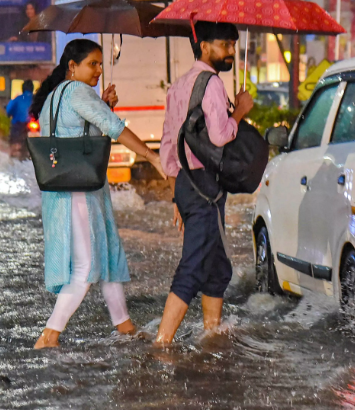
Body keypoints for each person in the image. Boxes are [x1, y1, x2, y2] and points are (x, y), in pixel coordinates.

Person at [29, 39, 166, 349]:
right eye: (93, 63)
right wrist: (151, 156)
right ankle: (49, 336)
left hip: (70, 189)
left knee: (108, 259)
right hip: (79, 192)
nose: (99, 70)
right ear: (72, 66)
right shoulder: (77, 91)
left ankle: (125, 328)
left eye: (101, 64)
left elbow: (80, 133)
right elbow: (114, 128)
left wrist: (102, 105)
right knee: (85, 269)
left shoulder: (55, 95)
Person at [154, 22, 254, 346]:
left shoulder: (179, 84)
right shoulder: (211, 84)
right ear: (205, 46)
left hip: (187, 182)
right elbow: (220, 135)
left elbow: (168, 143)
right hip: (206, 187)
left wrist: (177, 193)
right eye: (225, 45)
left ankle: (212, 333)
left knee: (218, 267)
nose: (230, 52)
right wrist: (239, 111)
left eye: (233, 46)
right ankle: (162, 342)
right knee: (195, 265)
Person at [6, 79, 34, 159]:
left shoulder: (17, 99)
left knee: (15, 145)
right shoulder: (38, 99)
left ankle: (15, 150)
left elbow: (9, 110)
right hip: (35, 127)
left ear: (23, 89)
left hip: (19, 126)